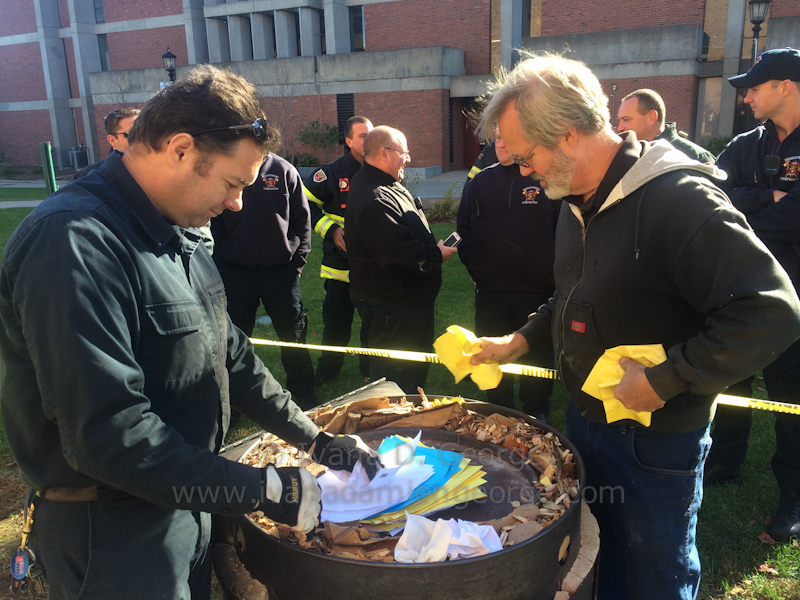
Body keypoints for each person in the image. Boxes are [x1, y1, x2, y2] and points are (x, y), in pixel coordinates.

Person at [0, 64, 381, 600]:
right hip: (112, 529)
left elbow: (232, 356)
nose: (237, 204)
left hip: (188, 497)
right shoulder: (73, 245)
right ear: (180, 148)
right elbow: (107, 434)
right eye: (232, 183)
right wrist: (262, 488)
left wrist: (314, 439)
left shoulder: (181, 232)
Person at [470, 53, 800, 600]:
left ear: (569, 135)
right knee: (597, 561)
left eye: (527, 156)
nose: (523, 170)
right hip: (586, 421)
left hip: (656, 442)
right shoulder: (576, 199)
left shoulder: (678, 199)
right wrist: (521, 339)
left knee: (652, 579)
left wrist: (663, 380)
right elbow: (574, 293)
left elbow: (772, 309)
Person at [713, 47, 800, 542]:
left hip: (796, 302)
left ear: (785, 86)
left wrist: (751, 207)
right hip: (741, 291)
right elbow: (714, 198)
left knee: (791, 397)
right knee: (731, 385)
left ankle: (794, 492)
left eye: (755, 87)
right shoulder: (746, 144)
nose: (747, 96)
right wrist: (767, 197)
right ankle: (724, 463)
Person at [346, 126, 458, 393]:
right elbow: (397, 255)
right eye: (403, 152)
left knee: (413, 374)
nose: (408, 158)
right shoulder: (374, 198)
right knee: (397, 382)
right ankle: (396, 428)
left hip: (407, 306)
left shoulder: (388, 184)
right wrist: (436, 254)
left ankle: (411, 416)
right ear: (383, 154)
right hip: (394, 312)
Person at [456, 128, 557, 420]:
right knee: (490, 357)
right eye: (496, 138)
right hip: (491, 295)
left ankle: (536, 414)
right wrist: (477, 268)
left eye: (506, 137)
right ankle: (497, 413)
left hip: (537, 296)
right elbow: (464, 229)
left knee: (536, 361)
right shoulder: (480, 182)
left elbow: (562, 232)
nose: (500, 143)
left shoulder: (543, 178)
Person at [212, 146, 317, 409]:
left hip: (280, 273)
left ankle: (303, 391)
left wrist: (296, 264)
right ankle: (232, 400)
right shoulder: (227, 169)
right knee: (234, 340)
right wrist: (224, 261)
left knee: (292, 334)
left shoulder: (283, 170)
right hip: (236, 274)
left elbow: (302, 221)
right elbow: (214, 222)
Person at [303, 116, 374, 384]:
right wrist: (330, 229)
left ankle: (370, 370)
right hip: (338, 267)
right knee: (335, 325)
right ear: (348, 141)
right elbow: (305, 206)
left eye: (372, 134)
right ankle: (328, 371)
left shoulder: (377, 169)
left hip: (371, 265)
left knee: (372, 323)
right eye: (363, 136)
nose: (369, 139)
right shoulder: (330, 173)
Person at [617, 89, 716, 163]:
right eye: (620, 120)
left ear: (652, 117)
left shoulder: (695, 157)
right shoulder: (628, 155)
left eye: (626, 120)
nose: (620, 128)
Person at [73, 107, 140, 180]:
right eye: (132, 134)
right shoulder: (87, 179)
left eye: (145, 132)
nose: (141, 138)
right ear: (112, 140)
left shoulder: (152, 171)